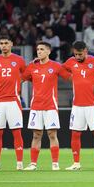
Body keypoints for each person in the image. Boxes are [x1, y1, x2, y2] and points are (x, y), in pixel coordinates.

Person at [22, 41, 71, 171]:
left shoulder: (56, 66)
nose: (39, 51)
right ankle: (33, 164)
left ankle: (55, 163)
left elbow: (69, 77)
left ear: (48, 51)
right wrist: (30, 64)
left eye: (42, 49)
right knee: (36, 135)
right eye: (38, 49)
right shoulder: (33, 67)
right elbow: (22, 78)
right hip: (36, 106)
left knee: (52, 134)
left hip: (50, 106)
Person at [62, 41, 94, 170]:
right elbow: (60, 69)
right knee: (75, 134)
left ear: (86, 51)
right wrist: (69, 77)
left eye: (80, 54)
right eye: (75, 54)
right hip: (77, 105)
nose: (77, 57)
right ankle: (76, 163)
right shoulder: (71, 62)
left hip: (93, 105)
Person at [0, 35, 26, 171]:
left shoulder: (19, 60)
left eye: (6, 43)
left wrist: (18, 86)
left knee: (17, 132)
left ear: (11, 44)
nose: (3, 45)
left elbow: (26, 75)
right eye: (1, 43)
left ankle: (19, 163)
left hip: (14, 101)